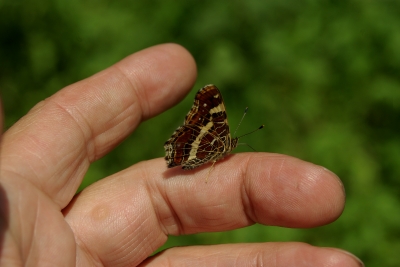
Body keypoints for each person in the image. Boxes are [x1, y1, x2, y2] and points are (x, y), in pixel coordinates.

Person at [0, 43, 363, 266]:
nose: (234, 145)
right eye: (234, 141)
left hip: (191, 153)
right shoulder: (217, 137)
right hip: (190, 151)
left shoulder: (222, 145)